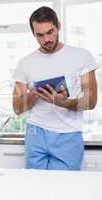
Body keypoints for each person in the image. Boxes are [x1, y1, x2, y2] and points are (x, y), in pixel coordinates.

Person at [12, 6, 99, 170]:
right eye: (40, 35)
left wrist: (63, 102)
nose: (46, 39)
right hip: (35, 133)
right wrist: (34, 94)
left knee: (63, 190)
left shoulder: (82, 57)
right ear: (33, 34)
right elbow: (17, 108)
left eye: (50, 32)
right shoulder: (25, 63)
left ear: (58, 26)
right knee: (35, 189)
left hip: (68, 134)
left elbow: (91, 101)